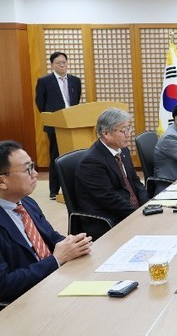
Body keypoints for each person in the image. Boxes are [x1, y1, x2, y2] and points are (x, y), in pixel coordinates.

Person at [0, 140, 92, 304]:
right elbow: (4, 285)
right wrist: (56, 260)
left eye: (33, 166)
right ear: (2, 182)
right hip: (26, 300)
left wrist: (73, 244)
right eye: (27, 170)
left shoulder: (26, 202)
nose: (35, 174)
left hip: (53, 280)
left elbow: (50, 236)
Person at [75, 108, 148, 239]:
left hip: (129, 211)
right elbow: (108, 199)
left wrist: (147, 205)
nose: (128, 134)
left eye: (129, 129)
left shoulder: (123, 150)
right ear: (106, 134)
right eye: (123, 130)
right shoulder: (92, 161)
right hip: (109, 218)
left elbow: (135, 181)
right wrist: (137, 214)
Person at [35, 51, 82, 200]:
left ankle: (73, 187)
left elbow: (76, 100)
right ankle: (54, 190)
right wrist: (53, 118)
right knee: (55, 156)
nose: (62, 65)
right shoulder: (44, 81)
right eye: (58, 63)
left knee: (73, 155)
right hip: (56, 125)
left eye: (64, 62)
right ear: (52, 65)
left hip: (73, 123)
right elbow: (40, 103)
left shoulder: (75, 80)